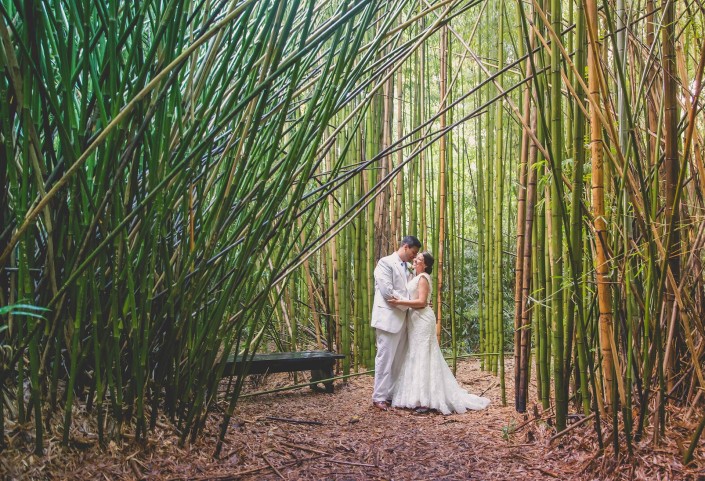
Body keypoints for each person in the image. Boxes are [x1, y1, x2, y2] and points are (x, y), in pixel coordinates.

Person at [388, 251, 490, 414]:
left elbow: (422, 302)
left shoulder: (423, 278)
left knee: (424, 355)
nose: (415, 260)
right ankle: (416, 396)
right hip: (415, 320)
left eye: (419, 259)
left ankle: (426, 400)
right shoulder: (415, 276)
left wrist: (399, 302)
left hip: (422, 319)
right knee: (415, 354)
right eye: (416, 258)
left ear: (426, 264)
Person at [370, 236, 422, 411]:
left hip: (403, 320)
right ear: (405, 247)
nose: (414, 257)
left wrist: (416, 303)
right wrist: (409, 303)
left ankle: (390, 394)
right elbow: (387, 292)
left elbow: (407, 291)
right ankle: (378, 397)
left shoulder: (407, 267)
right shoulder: (385, 263)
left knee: (398, 360)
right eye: (413, 253)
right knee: (384, 359)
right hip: (388, 318)